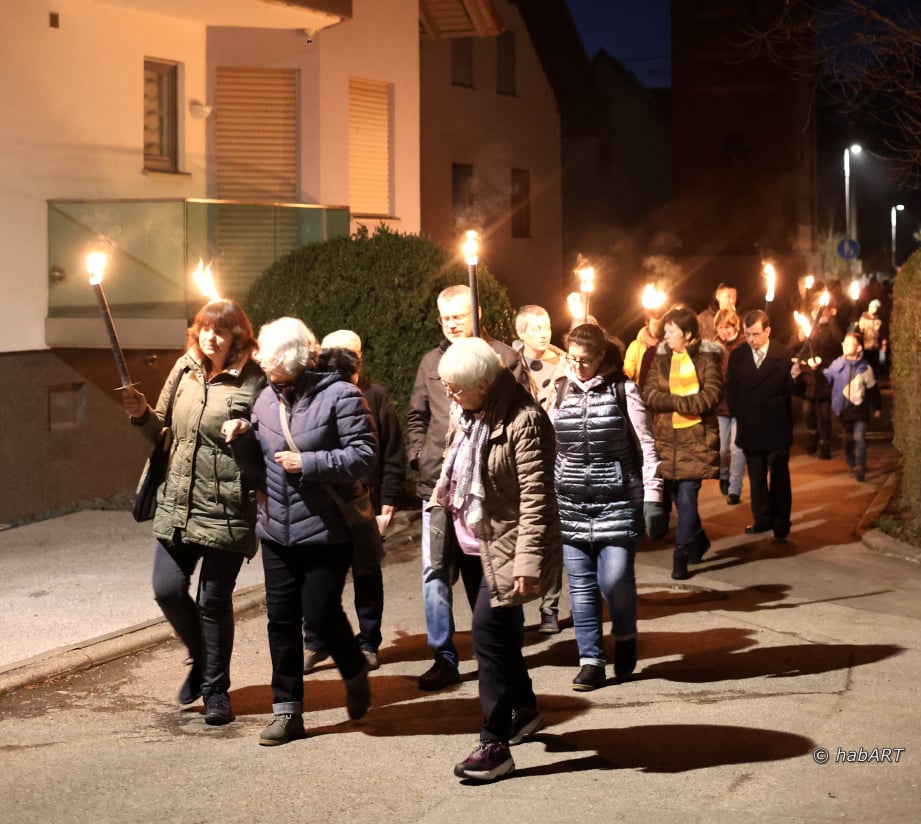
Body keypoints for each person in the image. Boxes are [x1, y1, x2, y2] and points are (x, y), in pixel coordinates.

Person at [225, 317, 376, 746]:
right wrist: (241, 437)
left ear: (290, 361)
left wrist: (308, 464)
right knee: (282, 621)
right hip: (276, 528)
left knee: (322, 612)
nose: (260, 362)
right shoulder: (264, 399)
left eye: (269, 359)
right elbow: (258, 462)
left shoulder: (341, 395)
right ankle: (287, 710)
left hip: (326, 529)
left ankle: (352, 668)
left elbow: (364, 456)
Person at [121, 299, 265, 726]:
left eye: (219, 331)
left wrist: (246, 431)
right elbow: (161, 430)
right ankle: (202, 658)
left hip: (227, 506)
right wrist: (142, 414)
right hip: (179, 500)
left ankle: (216, 692)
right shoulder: (184, 368)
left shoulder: (253, 380)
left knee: (213, 600)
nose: (209, 337)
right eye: (204, 328)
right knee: (166, 587)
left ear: (237, 336)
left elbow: (268, 435)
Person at [435, 337, 562, 783]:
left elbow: (537, 496)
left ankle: (494, 744)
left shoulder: (525, 421)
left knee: (487, 641)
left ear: (485, 384)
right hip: (471, 545)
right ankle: (524, 709)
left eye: (457, 389)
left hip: (508, 549)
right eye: (446, 387)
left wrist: (528, 560)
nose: (450, 395)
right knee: (503, 640)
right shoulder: (466, 412)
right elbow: (455, 465)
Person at [407, 285, 522, 691]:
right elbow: (416, 415)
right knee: (435, 570)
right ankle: (444, 655)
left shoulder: (503, 358)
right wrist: (418, 455)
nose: (451, 323)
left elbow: (521, 418)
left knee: (486, 569)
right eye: (444, 317)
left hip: (485, 489)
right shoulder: (430, 362)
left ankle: (496, 646)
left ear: (476, 311)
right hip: (437, 486)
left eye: (458, 315)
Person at [550, 323, 663, 690]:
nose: (577, 366)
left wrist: (653, 497)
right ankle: (591, 660)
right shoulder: (561, 389)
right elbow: (550, 444)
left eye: (584, 360)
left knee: (614, 581)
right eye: (572, 359)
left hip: (616, 501)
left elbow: (647, 446)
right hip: (571, 502)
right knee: (581, 589)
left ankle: (626, 637)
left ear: (601, 357)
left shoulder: (623, 390)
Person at [302, 329, 405, 673]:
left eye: (350, 352)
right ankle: (315, 641)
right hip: (323, 502)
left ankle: (367, 641)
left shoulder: (374, 394)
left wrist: (387, 500)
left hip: (363, 502)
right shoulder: (311, 395)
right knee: (316, 575)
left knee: (366, 572)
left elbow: (391, 449)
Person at [643, 306, 723, 580]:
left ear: (687, 334)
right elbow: (649, 394)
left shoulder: (707, 358)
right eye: (665, 329)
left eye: (671, 330)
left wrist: (679, 404)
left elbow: (711, 395)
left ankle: (681, 553)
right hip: (667, 440)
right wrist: (679, 402)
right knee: (677, 498)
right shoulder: (661, 358)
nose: (665, 334)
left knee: (688, 496)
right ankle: (699, 539)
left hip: (696, 439)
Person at [513, 304, 567, 635]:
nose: (543, 332)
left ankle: (550, 606)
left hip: (554, 458)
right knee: (517, 534)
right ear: (521, 333)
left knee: (550, 536)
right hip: (519, 458)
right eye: (535, 327)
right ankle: (516, 608)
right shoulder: (508, 365)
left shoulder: (564, 366)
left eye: (546, 325)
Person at [725, 310, 796, 541]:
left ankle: (781, 522)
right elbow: (732, 389)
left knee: (779, 477)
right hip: (751, 426)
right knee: (756, 478)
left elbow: (796, 390)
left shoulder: (784, 355)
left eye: (756, 334)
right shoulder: (738, 356)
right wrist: (739, 413)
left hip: (776, 425)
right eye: (747, 334)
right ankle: (762, 518)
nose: (751, 340)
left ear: (767, 330)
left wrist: (797, 377)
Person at [823, 331, 882, 482]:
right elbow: (825, 380)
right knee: (848, 439)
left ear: (859, 348)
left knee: (859, 437)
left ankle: (860, 466)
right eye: (845, 343)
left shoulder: (865, 368)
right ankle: (851, 463)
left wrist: (876, 407)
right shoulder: (837, 365)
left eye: (850, 344)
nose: (846, 346)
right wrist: (816, 370)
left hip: (860, 410)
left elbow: (872, 388)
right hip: (843, 410)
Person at [792, 303, 842, 460]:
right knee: (808, 410)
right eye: (814, 308)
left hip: (824, 374)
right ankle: (813, 434)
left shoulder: (830, 327)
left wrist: (832, 321)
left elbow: (839, 342)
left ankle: (825, 443)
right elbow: (792, 347)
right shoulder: (806, 325)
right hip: (809, 377)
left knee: (824, 411)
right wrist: (799, 338)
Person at [713, 308, 746, 505]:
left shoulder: (742, 346)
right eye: (720, 327)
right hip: (721, 404)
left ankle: (735, 489)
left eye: (727, 327)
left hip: (740, 404)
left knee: (737, 448)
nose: (723, 331)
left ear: (735, 327)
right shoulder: (713, 346)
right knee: (722, 449)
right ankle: (724, 475)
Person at [624, 308, 665, 385]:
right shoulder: (636, 346)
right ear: (647, 323)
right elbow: (628, 370)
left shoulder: (670, 345)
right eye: (654, 324)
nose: (657, 328)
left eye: (660, 325)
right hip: (643, 390)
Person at [857, 299, 887, 378]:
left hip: (876, 346)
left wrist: (884, 344)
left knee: (875, 365)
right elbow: (860, 331)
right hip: (865, 346)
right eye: (873, 307)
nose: (874, 309)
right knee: (865, 364)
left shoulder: (879, 319)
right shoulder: (863, 318)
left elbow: (883, 332)